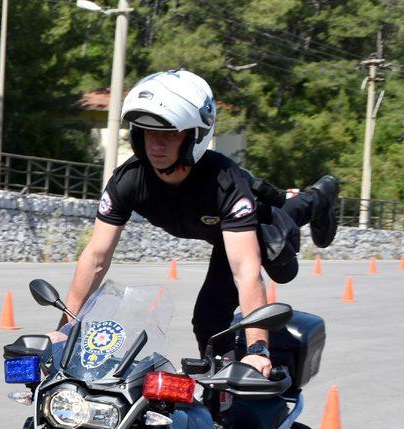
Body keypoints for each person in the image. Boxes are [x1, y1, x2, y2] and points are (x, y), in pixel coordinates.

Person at [52, 68, 339, 377]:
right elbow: (95, 257)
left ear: (194, 136)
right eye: (149, 132)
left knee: (271, 249)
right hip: (212, 225)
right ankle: (224, 377)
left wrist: (258, 349)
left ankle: (323, 195)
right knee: (217, 311)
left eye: (169, 133)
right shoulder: (129, 180)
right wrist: (66, 328)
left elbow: (245, 271)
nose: (157, 144)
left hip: (242, 226)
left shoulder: (224, 183)